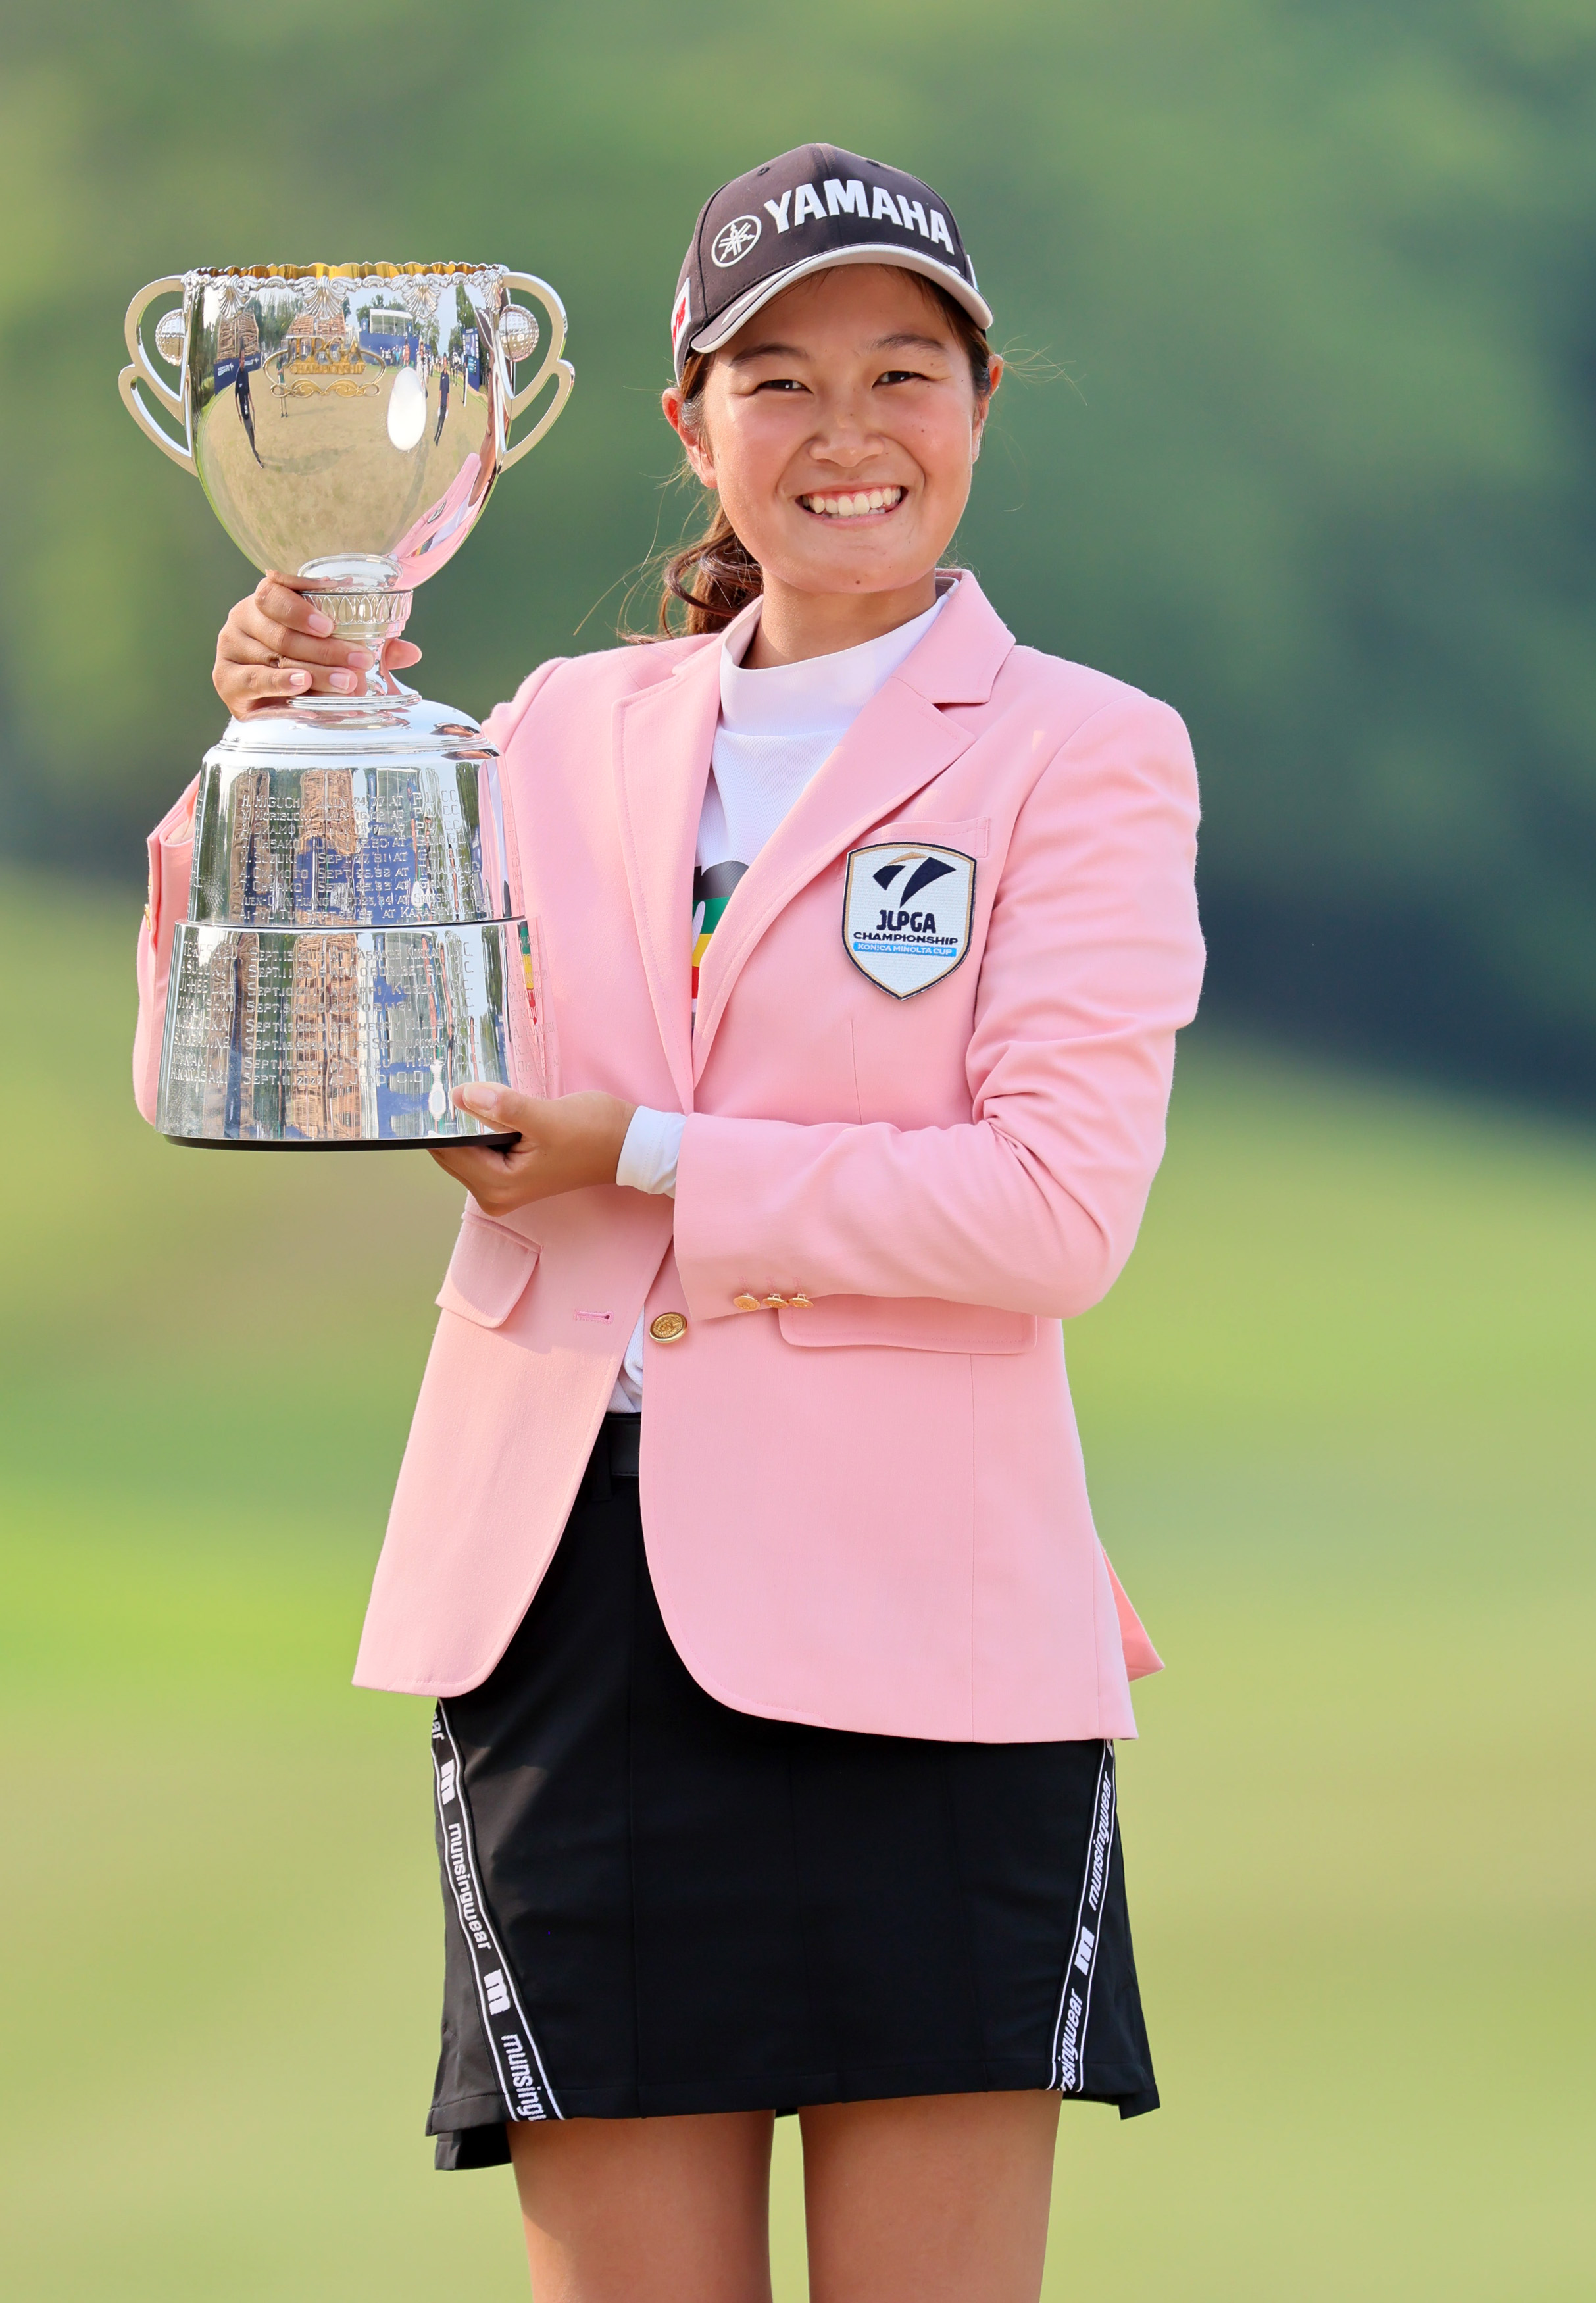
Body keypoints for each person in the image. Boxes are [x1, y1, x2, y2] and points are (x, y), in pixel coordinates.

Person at [148, 143, 1204, 2303]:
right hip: (572, 1607)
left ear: (978, 407)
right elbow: (284, 1032)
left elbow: (1049, 1208)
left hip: (933, 1638)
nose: (845, 436)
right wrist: (289, 733)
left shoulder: (1080, 755)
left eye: (903, 374)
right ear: (687, 428)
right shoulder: (549, 731)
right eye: (779, 381)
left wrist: (643, 1154)